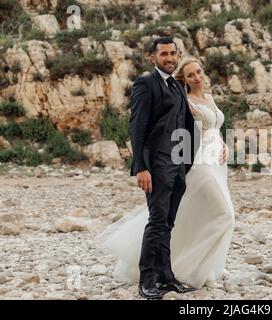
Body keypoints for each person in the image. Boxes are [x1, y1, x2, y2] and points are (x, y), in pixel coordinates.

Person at [95, 52, 235, 297]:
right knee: (223, 215)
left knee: (181, 218)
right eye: (190, 74)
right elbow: (146, 127)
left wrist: (223, 144)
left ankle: (177, 272)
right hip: (196, 161)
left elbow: (213, 127)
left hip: (214, 162)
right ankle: (171, 272)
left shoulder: (207, 98)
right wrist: (142, 165)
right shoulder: (178, 96)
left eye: (199, 71)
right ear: (183, 78)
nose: (196, 77)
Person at [113, 36, 197, 300]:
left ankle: (167, 278)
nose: (170, 58)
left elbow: (185, 125)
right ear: (153, 58)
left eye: (173, 53)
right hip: (156, 165)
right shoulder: (145, 84)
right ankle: (147, 280)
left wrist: (186, 163)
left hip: (178, 165)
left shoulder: (178, 86)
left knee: (168, 224)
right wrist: (141, 167)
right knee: (157, 221)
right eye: (164, 54)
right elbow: (137, 127)